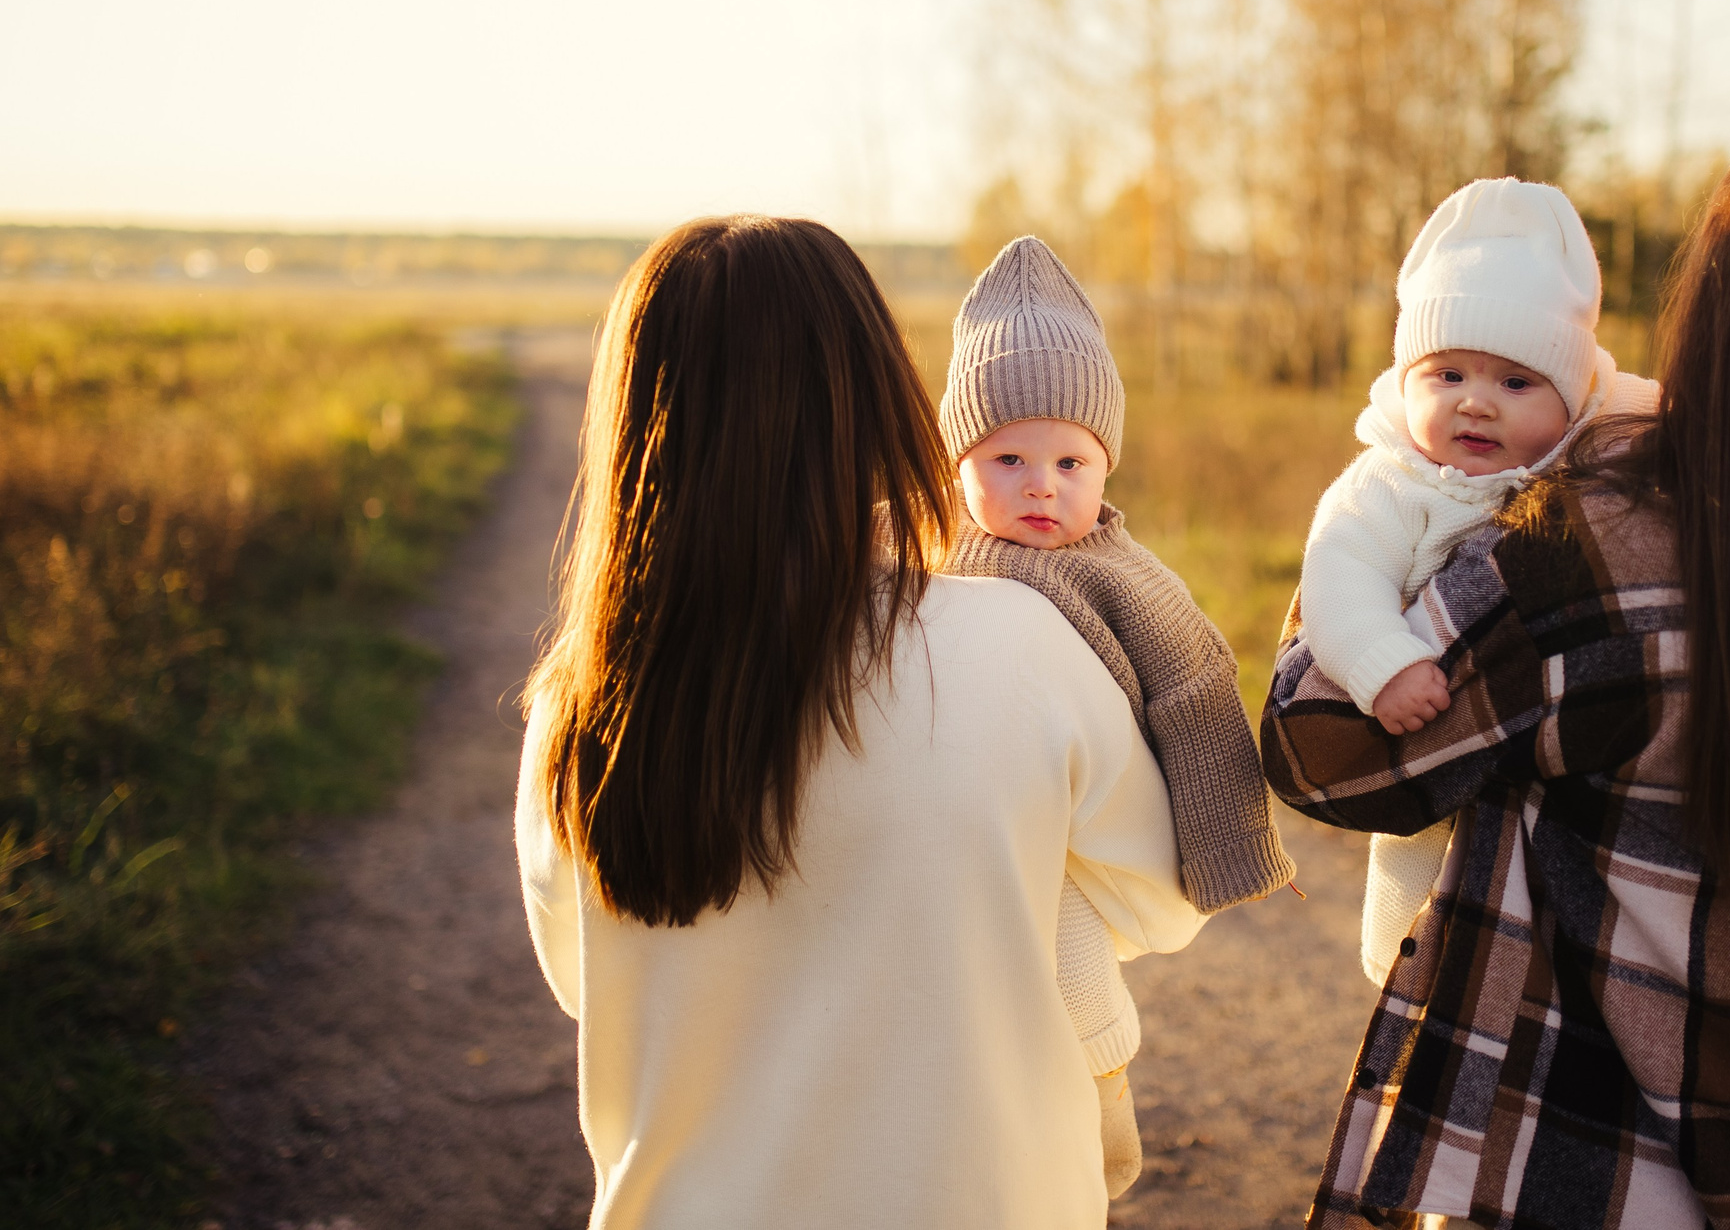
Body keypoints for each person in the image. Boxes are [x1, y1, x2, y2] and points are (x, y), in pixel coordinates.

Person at [1263, 118, 1730, 1229]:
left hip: (1595, 1171)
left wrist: (1371, 536)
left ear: (1726, 315)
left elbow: (1324, 754)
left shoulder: (1601, 544)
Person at [516, 216, 1207, 1230]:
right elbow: (1160, 906)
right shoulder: (1022, 644)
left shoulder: (577, 707)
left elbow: (588, 983)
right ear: (881, 397)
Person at [938, 236, 1295, 1194]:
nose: (1041, 485)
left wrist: (1232, 847)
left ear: (1106, 465)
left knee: (1070, 957)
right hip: (975, 812)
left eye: (1070, 460)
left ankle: (1102, 1101)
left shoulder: (1120, 572)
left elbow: (1197, 687)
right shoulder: (927, 543)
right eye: (1006, 457)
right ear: (958, 457)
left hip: (1089, 829)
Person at [1294, 178, 1655, 985]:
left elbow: (1647, 424)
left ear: (1572, 395)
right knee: (1415, 917)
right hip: (1425, 735)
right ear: (1406, 379)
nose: (1477, 405)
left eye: (1515, 382)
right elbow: (1338, 571)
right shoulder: (1389, 483)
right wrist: (1382, 660)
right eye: (1447, 375)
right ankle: (1406, 984)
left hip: (1556, 766)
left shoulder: (1593, 456)